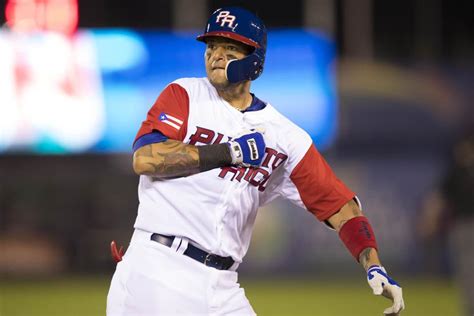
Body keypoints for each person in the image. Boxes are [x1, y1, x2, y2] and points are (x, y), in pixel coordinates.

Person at [106, 7, 405, 316]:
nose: (216, 55)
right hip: (158, 267)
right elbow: (144, 159)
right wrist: (228, 152)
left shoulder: (286, 137)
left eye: (230, 48)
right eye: (211, 47)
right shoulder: (184, 95)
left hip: (223, 284)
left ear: (255, 58)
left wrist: (374, 265)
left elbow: (341, 208)